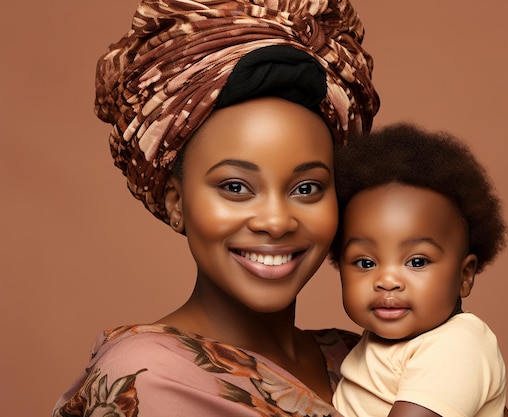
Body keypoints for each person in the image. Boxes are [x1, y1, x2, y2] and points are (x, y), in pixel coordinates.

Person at [53, 1, 378, 416]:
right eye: (236, 186)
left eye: (307, 187)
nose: (276, 221)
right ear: (176, 203)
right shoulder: (147, 379)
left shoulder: (361, 360)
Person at [330, 123, 508, 417]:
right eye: (366, 263)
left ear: (465, 275)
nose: (387, 281)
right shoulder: (375, 343)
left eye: (417, 262)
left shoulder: (457, 345)